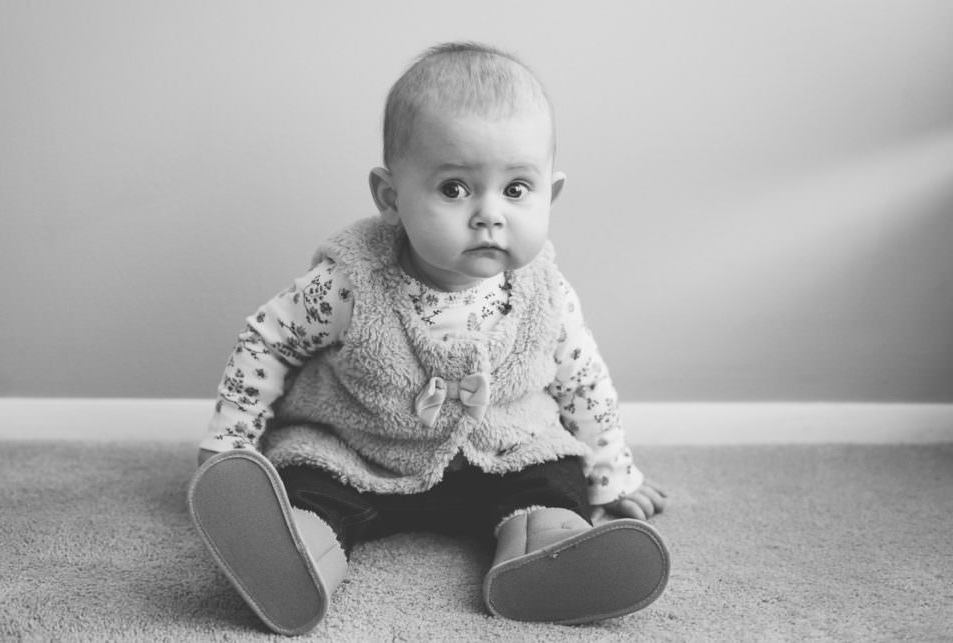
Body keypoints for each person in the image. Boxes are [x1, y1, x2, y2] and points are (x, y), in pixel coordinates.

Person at [188, 42, 669, 636]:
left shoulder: (546, 291)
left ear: (552, 193)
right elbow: (268, 341)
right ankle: (295, 558)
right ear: (391, 198)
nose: (489, 214)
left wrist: (612, 472)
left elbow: (584, 381)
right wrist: (231, 440)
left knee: (552, 482)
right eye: (455, 189)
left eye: (517, 189)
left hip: (504, 453)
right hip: (361, 450)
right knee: (310, 485)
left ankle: (549, 553)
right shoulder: (350, 281)